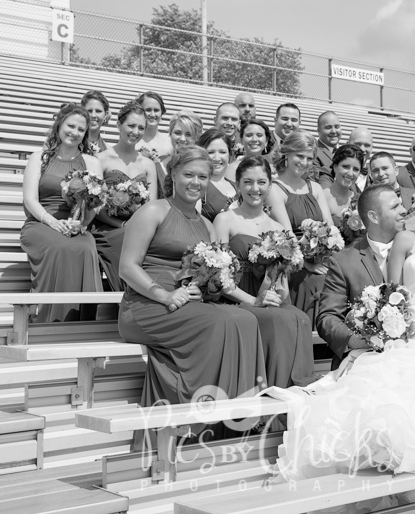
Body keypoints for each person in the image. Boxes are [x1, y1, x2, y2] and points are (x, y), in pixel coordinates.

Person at [275, 175, 415, 499]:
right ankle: (386, 447)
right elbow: (393, 294)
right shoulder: (405, 241)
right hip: (411, 328)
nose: (411, 206)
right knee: (399, 374)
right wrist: (385, 325)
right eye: (403, 202)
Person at [118, 146, 266, 436]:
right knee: (223, 321)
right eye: (188, 174)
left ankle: (238, 418)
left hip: (187, 304)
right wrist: (166, 295)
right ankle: (199, 416)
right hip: (146, 305)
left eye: (202, 176)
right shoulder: (153, 211)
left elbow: (214, 279)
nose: (195, 182)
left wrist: (207, 290)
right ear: (173, 174)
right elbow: (127, 267)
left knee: (246, 320)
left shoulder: (208, 225)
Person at [214, 156, 316, 388]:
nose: (254, 188)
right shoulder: (225, 220)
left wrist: (278, 294)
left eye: (261, 182)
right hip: (235, 299)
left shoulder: (279, 229)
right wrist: (253, 300)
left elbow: (283, 289)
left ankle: (292, 391)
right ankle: (269, 391)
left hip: (266, 299)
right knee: (279, 319)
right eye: (247, 182)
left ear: (270, 186)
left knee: (300, 317)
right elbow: (219, 275)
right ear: (238, 184)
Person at [20, 103, 104, 322]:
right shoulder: (39, 158)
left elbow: (95, 202)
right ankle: (47, 317)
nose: (74, 132)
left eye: (81, 130)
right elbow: (30, 199)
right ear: (59, 125)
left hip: (76, 224)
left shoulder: (92, 162)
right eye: (71, 126)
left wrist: (82, 224)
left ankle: (80, 320)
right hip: (41, 223)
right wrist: (52, 222)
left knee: (85, 247)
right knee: (60, 246)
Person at [316, 184, 404, 369]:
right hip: (365, 361)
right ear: (373, 217)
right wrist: (359, 340)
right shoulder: (343, 261)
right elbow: (328, 318)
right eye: (395, 207)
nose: (404, 211)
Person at [266, 130, 334, 325]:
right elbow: (287, 236)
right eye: (299, 156)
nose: (304, 162)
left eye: (309, 158)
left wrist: (324, 255)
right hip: (292, 263)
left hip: (320, 259)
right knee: (317, 282)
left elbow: (330, 229)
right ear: (286, 154)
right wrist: (307, 264)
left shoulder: (316, 188)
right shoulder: (275, 189)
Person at [91, 100, 159, 292]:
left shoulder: (148, 164)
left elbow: (151, 206)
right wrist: (121, 225)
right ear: (118, 124)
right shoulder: (101, 160)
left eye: (141, 127)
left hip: (140, 228)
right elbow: (96, 206)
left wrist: (139, 227)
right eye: (131, 125)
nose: (135, 131)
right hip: (109, 227)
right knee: (126, 241)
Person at [156, 109, 203, 198]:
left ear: (196, 138)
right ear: (170, 133)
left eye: (188, 134)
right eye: (177, 133)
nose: (182, 139)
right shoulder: (157, 166)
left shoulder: (203, 167)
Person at [197, 129, 238, 222]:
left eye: (222, 152)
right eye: (211, 152)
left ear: (230, 155)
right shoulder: (198, 186)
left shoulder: (237, 187)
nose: (216, 158)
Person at [324, 144, 365, 228]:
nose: (350, 173)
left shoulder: (361, 201)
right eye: (346, 167)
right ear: (335, 167)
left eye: (356, 169)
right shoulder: (321, 197)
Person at [135, 91, 173, 158]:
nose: (152, 114)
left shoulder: (170, 141)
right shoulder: (132, 140)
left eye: (156, 110)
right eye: (148, 110)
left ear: (162, 112)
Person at [311, 111, 343, 187]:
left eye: (337, 127)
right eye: (328, 127)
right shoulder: (313, 152)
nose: (334, 131)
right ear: (318, 131)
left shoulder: (345, 152)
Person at [348, 126, 374, 192]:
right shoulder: (338, 171)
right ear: (347, 144)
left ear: (372, 148)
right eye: (358, 144)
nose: (362, 149)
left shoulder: (376, 173)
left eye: (367, 145)